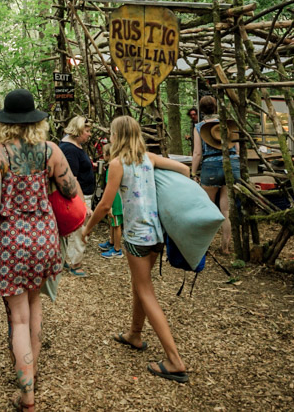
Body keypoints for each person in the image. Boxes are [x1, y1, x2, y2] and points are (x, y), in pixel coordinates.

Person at [0, 89, 80, 411]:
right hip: (44, 240)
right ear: (35, 121)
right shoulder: (51, 151)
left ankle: (27, 396)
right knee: (34, 309)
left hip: (8, 243)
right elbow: (71, 189)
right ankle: (31, 374)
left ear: (5, 123)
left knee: (18, 318)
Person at [83, 115, 191, 384]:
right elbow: (185, 170)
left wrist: (86, 229)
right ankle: (134, 334)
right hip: (156, 235)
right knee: (139, 285)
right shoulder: (149, 158)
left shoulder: (117, 164)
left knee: (145, 291)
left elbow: (106, 206)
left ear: (117, 135)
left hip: (136, 238)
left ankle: (174, 360)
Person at [191, 95, 240, 256]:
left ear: (201, 110)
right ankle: (225, 247)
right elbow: (237, 149)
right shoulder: (229, 124)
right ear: (216, 107)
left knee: (208, 208)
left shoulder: (199, 127)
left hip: (211, 166)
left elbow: (198, 153)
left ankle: (203, 246)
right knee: (225, 210)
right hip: (231, 163)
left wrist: (193, 172)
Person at [58, 116, 96, 276]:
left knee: (76, 230)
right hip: (79, 198)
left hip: (84, 195)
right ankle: (75, 264)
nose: (89, 134)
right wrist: (83, 205)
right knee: (81, 230)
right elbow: (72, 179)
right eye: (87, 131)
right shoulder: (70, 149)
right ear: (78, 131)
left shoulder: (75, 146)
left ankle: (69, 260)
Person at [95, 145, 123, 259]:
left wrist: (110, 205)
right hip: (113, 200)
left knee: (116, 224)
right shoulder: (111, 166)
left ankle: (117, 249)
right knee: (112, 222)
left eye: (104, 155)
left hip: (115, 202)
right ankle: (111, 242)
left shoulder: (113, 167)